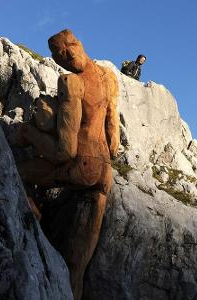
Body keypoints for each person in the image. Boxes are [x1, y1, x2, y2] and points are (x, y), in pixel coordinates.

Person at [16, 29, 119, 300]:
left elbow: (64, 150)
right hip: (104, 175)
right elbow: (114, 132)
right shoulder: (109, 78)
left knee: (19, 173)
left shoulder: (72, 83)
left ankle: (34, 213)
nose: (69, 54)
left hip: (80, 167)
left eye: (70, 47)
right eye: (61, 53)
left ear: (79, 44)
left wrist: (30, 134)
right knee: (77, 267)